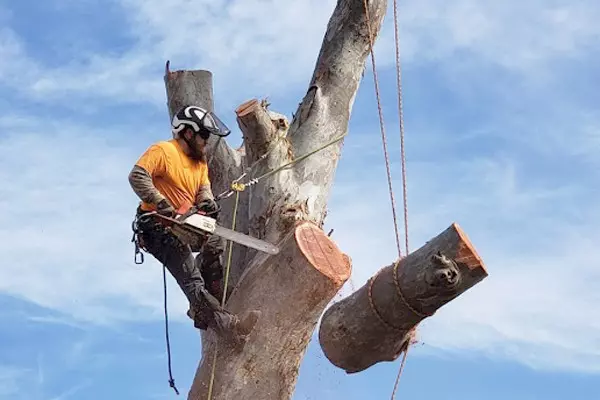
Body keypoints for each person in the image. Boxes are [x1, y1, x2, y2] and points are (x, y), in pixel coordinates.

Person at [128, 105, 259, 343]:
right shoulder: (163, 150)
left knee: (215, 242)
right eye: (204, 135)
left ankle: (205, 305)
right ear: (188, 133)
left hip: (183, 223)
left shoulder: (200, 163)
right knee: (191, 277)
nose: (207, 141)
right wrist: (159, 201)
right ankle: (228, 326)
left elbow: (203, 190)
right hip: (157, 226)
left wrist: (207, 202)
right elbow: (137, 175)